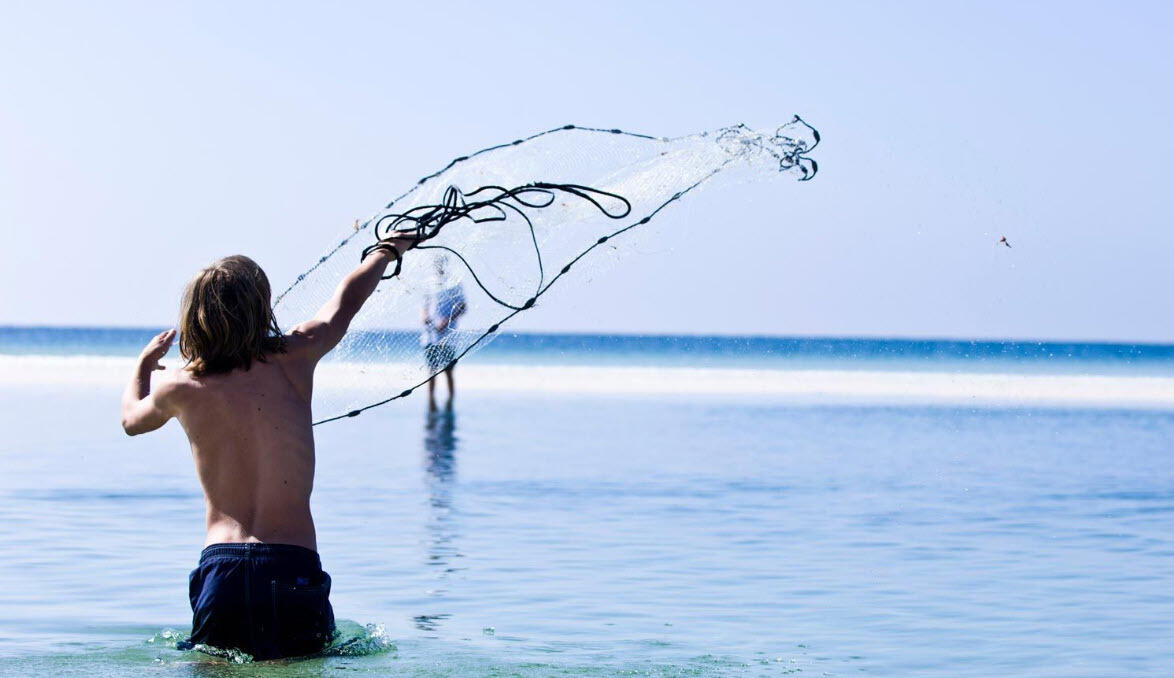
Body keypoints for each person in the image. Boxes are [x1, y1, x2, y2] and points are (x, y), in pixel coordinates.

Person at [119, 234, 419, 661]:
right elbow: (345, 301)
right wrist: (386, 252)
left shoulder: (179, 387)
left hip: (222, 572)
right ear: (262, 308)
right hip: (290, 564)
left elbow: (131, 420)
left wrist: (143, 367)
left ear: (194, 318)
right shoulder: (296, 356)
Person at [420, 255, 467, 412]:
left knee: (448, 370)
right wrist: (425, 318)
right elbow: (424, 306)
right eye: (436, 264)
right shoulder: (429, 283)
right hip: (429, 336)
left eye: (441, 264)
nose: (438, 267)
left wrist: (447, 321)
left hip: (449, 336)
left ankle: (450, 404)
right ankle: (431, 404)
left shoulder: (454, 283)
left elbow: (463, 306)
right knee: (431, 370)